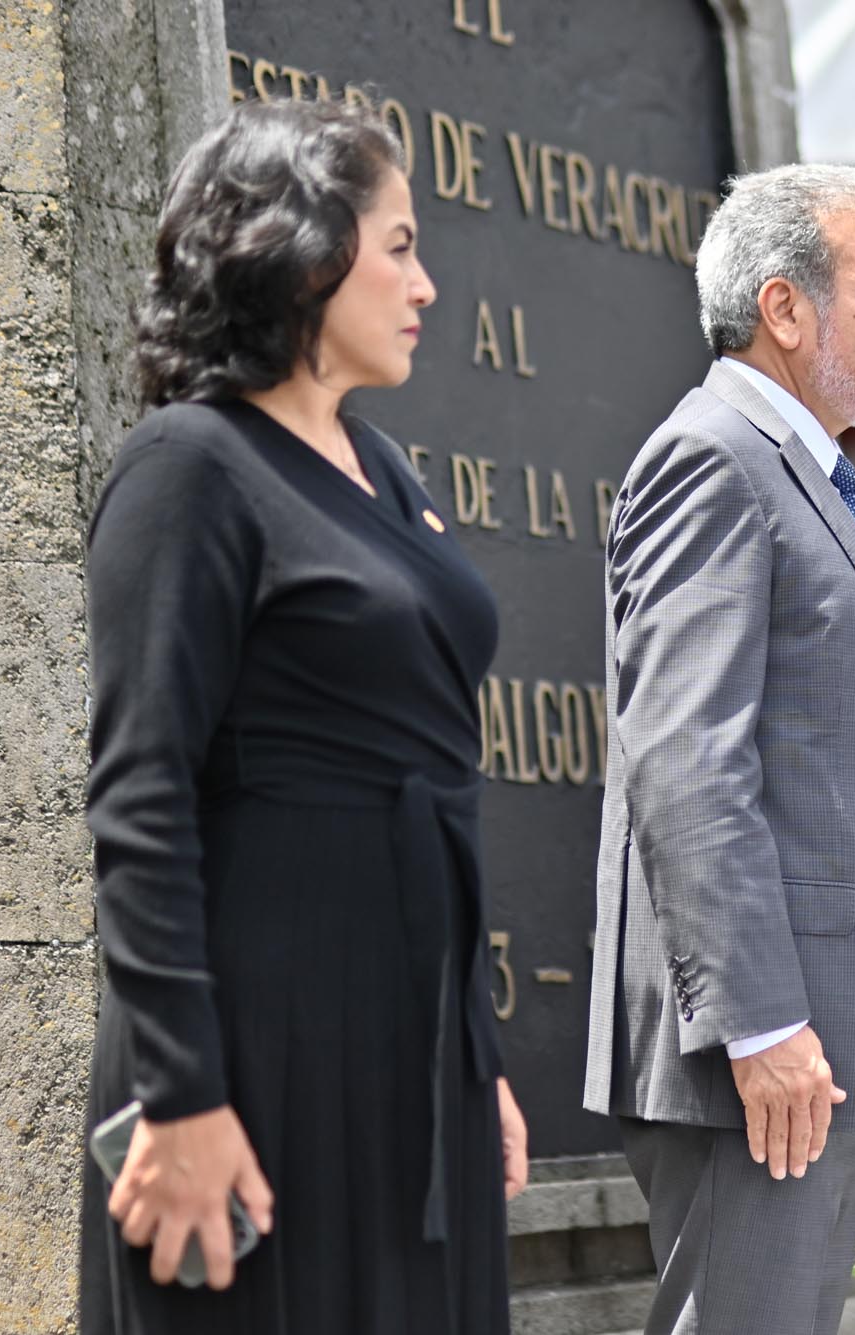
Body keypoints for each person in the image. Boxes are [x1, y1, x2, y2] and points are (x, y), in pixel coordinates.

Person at [78, 99, 526, 1335]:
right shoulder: (187, 467)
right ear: (301, 251)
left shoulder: (385, 469)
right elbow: (140, 792)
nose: (425, 283)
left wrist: (470, 1066)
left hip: (409, 1049)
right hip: (258, 1042)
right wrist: (182, 1097)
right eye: (398, 245)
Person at [583, 163, 855, 1335]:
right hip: (759, 1052)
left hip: (811, 1046)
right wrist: (759, 1024)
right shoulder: (714, 458)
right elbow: (683, 758)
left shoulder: (806, 469)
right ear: (785, 307)